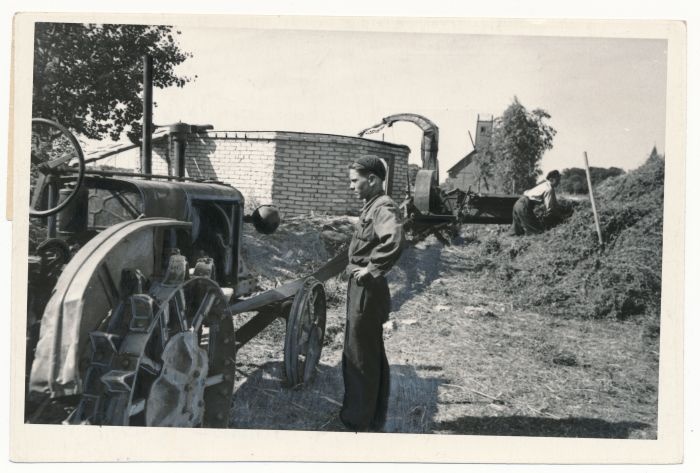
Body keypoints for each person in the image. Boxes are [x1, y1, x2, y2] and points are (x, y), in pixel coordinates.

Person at [340, 155, 404, 432]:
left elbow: (394, 239)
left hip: (367, 287)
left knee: (360, 353)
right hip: (364, 286)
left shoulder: (382, 207)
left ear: (373, 179)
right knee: (367, 349)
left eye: (355, 180)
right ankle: (372, 416)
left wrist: (371, 268)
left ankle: (358, 420)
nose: (351, 186)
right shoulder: (372, 205)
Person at [511, 170, 561, 236]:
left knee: (516, 232)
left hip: (518, 203)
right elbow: (550, 208)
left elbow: (554, 202)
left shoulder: (545, 185)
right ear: (551, 179)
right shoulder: (549, 189)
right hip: (524, 205)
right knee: (537, 232)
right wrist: (558, 216)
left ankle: (506, 242)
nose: (559, 182)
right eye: (557, 180)